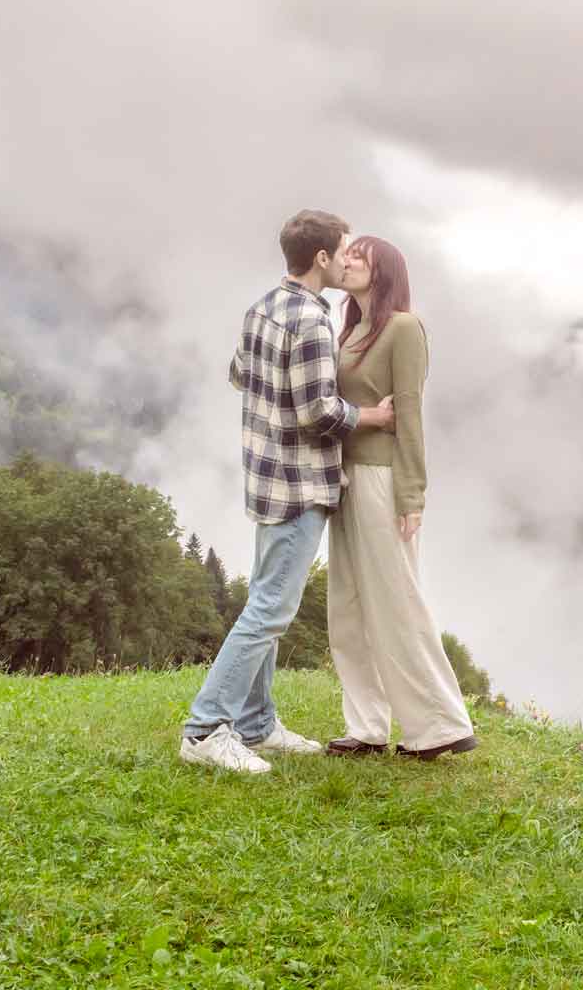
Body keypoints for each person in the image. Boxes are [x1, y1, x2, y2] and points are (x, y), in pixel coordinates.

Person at [181, 210, 395, 774]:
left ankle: (255, 724)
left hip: (264, 476)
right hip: (300, 484)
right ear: (321, 259)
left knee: (264, 599)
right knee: (271, 610)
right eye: (345, 250)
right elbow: (318, 411)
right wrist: (371, 415)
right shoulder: (312, 319)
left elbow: (239, 374)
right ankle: (206, 729)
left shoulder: (262, 308)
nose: (350, 259)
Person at [324, 235, 478, 761]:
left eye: (359, 256)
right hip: (344, 477)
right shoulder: (351, 328)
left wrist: (412, 494)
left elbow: (409, 415)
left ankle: (440, 726)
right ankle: (366, 726)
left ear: (384, 270)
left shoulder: (404, 328)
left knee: (396, 600)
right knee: (347, 604)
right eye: (348, 254)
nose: (348, 262)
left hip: (383, 479)